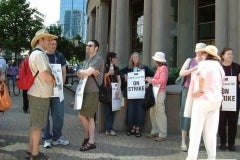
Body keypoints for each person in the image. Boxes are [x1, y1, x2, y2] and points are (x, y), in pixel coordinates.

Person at [185, 45, 225, 160]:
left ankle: (192, 157)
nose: (201, 55)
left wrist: (200, 91)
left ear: (207, 55)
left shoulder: (203, 64)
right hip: (216, 101)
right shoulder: (219, 66)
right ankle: (212, 157)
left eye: (203, 53)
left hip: (202, 100)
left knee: (195, 131)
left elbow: (202, 77)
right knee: (211, 132)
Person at [26, 29, 56, 160]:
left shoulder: (36, 53)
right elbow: (44, 75)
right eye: (48, 39)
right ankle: (35, 154)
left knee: (34, 125)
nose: (50, 42)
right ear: (41, 40)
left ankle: (30, 151)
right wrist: (55, 79)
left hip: (36, 93)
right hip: (39, 94)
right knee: (38, 127)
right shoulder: (39, 55)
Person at [77, 40, 104, 151]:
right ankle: (88, 138)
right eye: (87, 45)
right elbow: (81, 75)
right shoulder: (88, 60)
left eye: (90, 45)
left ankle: (91, 140)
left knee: (83, 115)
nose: (87, 47)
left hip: (93, 91)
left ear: (96, 48)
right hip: (85, 91)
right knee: (88, 116)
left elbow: (85, 73)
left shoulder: (98, 59)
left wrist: (83, 71)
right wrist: (84, 71)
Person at [178, 42, 206, 151]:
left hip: (201, 92)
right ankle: (183, 141)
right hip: (188, 90)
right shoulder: (190, 60)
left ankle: (195, 141)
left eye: (204, 51)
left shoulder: (207, 63)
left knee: (199, 116)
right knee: (185, 115)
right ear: (196, 51)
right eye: (200, 51)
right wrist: (193, 69)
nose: (202, 53)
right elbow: (181, 73)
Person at [42, 39, 69, 148]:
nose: (53, 46)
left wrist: (61, 84)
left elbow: (64, 72)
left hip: (57, 90)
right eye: (51, 44)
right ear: (47, 44)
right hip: (44, 90)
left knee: (59, 114)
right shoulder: (42, 56)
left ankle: (56, 138)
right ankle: (47, 138)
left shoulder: (60, 56)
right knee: (45, 115)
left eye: (55, 44)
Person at [121, 52, 154, 137]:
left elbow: (154, 75)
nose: (135, 59)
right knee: (131, 110)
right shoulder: (128, 68)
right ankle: (132, 128)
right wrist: (124, 76)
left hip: (141, 93)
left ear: (139, 59)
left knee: (140, 110)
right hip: (131, 93)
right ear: (131, 59)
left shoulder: (144, 68)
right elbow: (119, 72)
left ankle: (138, 129)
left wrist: (147, 79)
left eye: (136, 57)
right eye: (133, 57)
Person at [218, 48, 240, 151]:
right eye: (228, 54)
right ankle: (222, 142)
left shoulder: (237, 67)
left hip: (234, 99)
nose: (230, 56)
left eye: (231, 54)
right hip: (221, 99)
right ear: (222, 56)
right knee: (221, 122)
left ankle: (231, 143)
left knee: (233, 122)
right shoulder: (219, 67)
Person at [145, 52, 168, 142]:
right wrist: (152, 80)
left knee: (159, 112)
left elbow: (162, 80)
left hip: (160, 92)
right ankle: (155, 131)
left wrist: (151, 80)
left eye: (155, 59)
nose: (154, 60)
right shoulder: (160, 68)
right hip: (156, 92)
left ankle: (162, 134)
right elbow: (159, 80)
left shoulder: (163, 68)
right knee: (154, 112)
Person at [102, 52, 121, 136]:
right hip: (106, 91)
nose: (116, 59)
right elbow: (101, 78)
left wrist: (118, 89)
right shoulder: (104, 67)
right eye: (115, 58)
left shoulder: (116, 68)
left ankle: (109, 129)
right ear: (110, 58)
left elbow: (119, 79)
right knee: (107, 111)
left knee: (113, 110)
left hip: (115, 91)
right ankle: (109, 129)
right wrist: (109, 73)